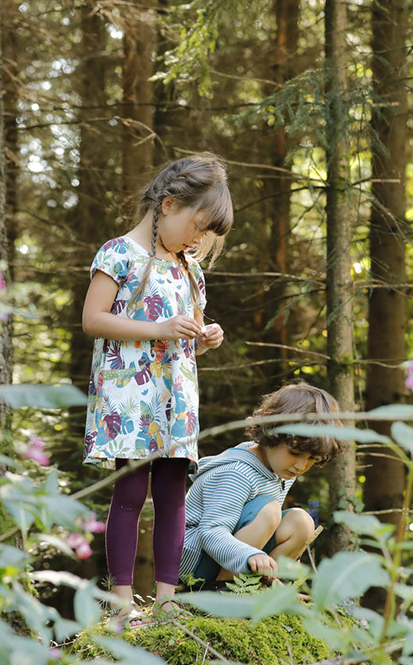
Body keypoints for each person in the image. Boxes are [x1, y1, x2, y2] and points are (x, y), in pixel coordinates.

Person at [81, 153, 231, 627]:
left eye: (206, 233)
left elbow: (189, 333)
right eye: (196, 226)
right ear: (168, 204)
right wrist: (160, 327)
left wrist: (206, 338)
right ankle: (123, 604)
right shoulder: (119, 253)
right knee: (129, 494)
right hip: (129, 398)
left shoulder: (190, 268)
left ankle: (167, 603)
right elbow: (93, 320)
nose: (198, 239)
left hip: (177, 398)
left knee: (173, 496)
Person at [180, 383, 344, 589]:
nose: (301, 465)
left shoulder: (282, 470)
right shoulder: (237, 472)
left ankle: (256, 587)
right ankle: (221, 591)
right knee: (269, 511)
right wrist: (251, 554)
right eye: (294, 453)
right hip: (195, 560)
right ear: (272, 433)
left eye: (312, 458)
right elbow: (211, 532)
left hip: (231, 555)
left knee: (301, 522)